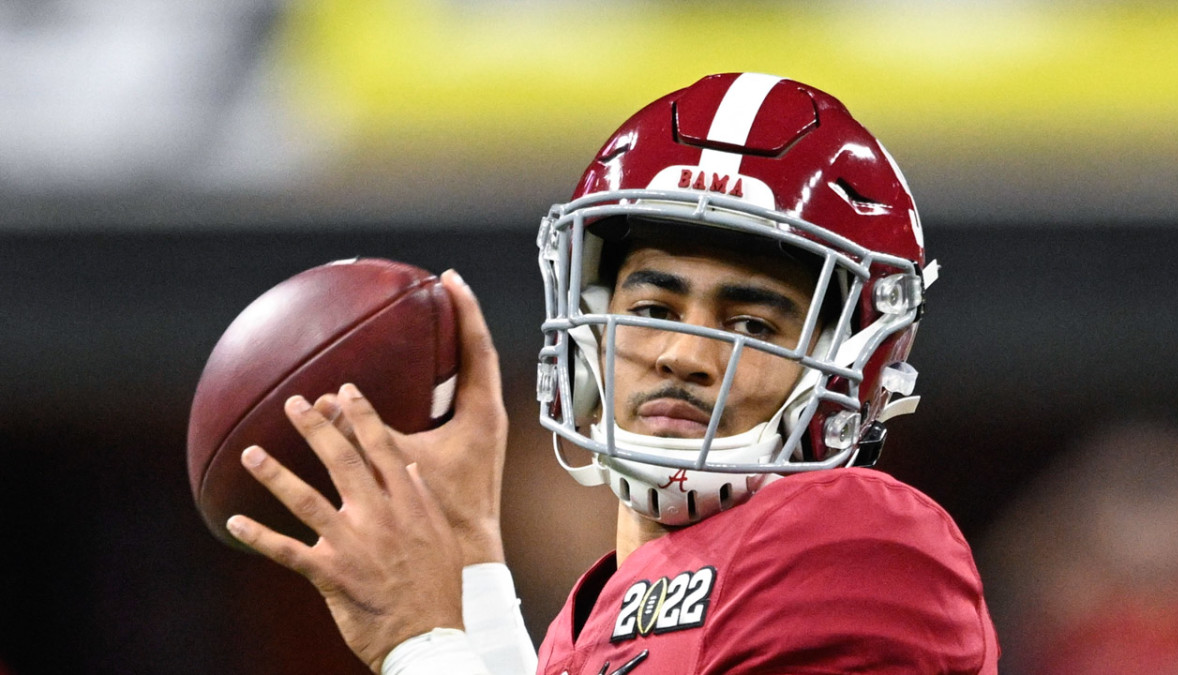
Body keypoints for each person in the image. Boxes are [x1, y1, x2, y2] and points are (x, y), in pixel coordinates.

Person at [226, 73, 1000, 674]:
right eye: (655, 308)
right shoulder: (599, 608)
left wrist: (422, 642)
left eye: (750, 324)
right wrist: (472, 564)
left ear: (854, 360)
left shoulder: (857, 543)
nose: (683, 354)